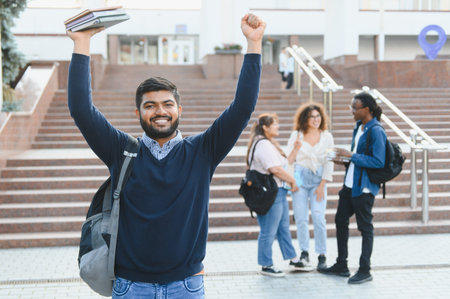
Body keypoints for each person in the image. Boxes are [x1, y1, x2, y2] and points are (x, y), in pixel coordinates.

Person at [67, 13, 266, 298]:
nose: (160, 111)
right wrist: (82, 42)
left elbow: (243, 107)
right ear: (138, 113)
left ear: (179, 110)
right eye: (150, 105)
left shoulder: (203, 150)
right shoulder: (121, 150)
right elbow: (81, 110)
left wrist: (254, 43)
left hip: (186, 286)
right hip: (130, 287)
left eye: (167, 104)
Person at [318, 92, 386, 284]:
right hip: (349, 184)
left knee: (365, 228)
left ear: (366, 109)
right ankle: (342, 264)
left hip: (363, 188)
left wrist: (352, 156)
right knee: (340, 220)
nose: (352, 111)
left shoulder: (376, 131)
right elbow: (357, 156)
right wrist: (344, 160)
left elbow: (378, 161)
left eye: (355, 108)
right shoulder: (359, 127)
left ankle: (365, 269)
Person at [247, 113, 305, 277]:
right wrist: (293, 181)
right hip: (270, 194)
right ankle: (266, 265)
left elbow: (285, 164)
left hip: (277, 192)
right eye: (275, 124)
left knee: (282, 228)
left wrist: (295, 149)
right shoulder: (263, 145)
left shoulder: (268, 144)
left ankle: (292, 259)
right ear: (265, 127)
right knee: (268, 230)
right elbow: (275, 169)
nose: (278, 127)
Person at [286, 103, 334, 271]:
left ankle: (322, 254)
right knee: (300, 217)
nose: (316, 119)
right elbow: (289, 161)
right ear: (305, 119)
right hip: (299, 178)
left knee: (319, 217)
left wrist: (323, 184)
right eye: (312, 117)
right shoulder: (296, 135)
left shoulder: (327, 136)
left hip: (318, 180)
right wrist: (291, 181)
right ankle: (304, 253)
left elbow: (330, 161)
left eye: (318, 116)